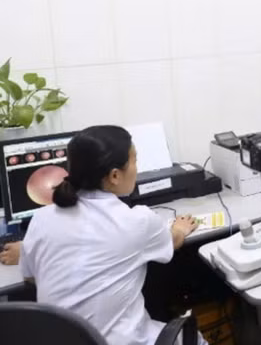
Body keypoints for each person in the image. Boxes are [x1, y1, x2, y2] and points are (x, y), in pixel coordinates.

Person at [18, 125, 202, 345]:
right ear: (114, 175)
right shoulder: (136, 221)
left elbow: (30, 277)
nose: (137, 168)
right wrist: (179, 229)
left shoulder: (42, 219)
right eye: (135, 161)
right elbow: (172, 242)